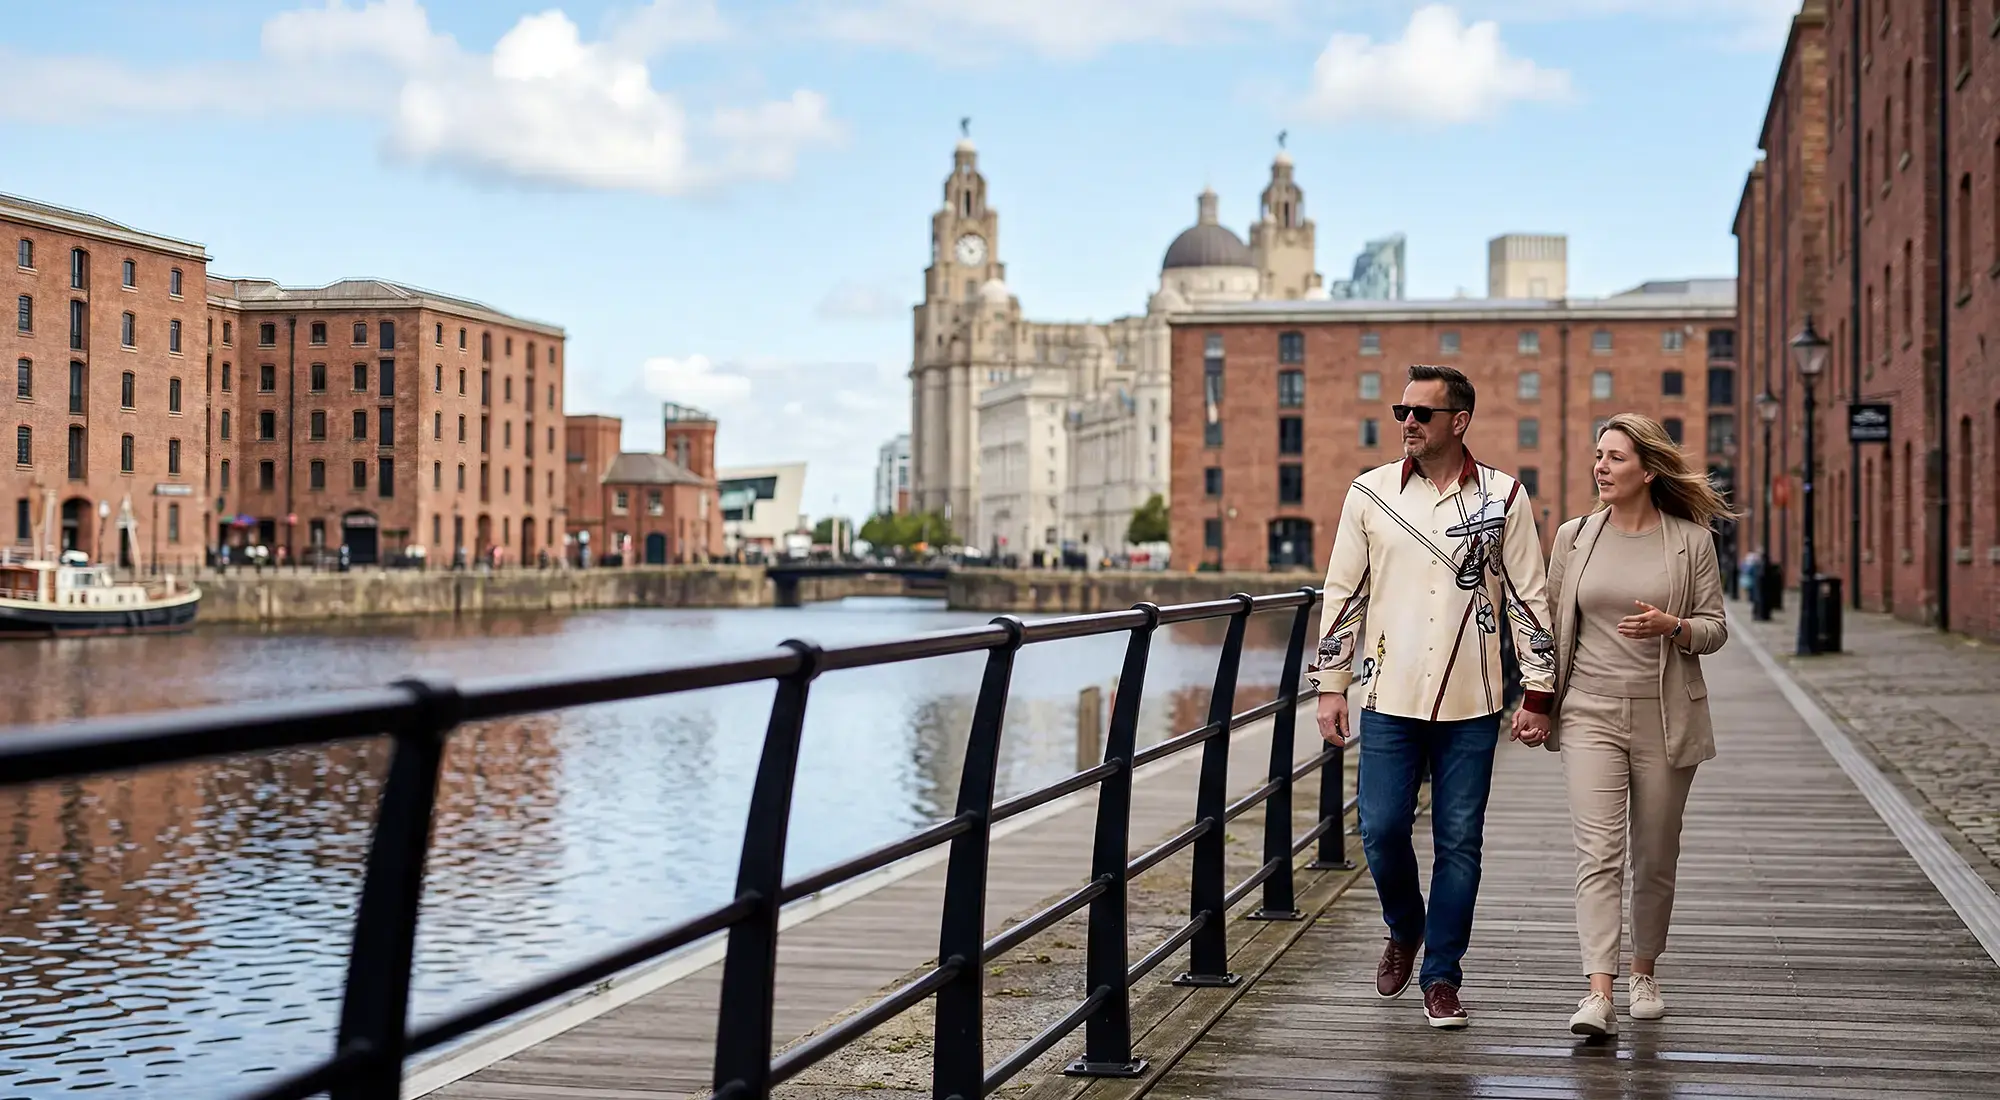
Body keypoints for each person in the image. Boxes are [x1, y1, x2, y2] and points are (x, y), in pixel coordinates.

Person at [1309, 363, 1560, 1030]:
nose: (1409, 423)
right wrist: (1329, 687)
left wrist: (1538, 691)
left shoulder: (1503, 498)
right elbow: (1344, 597)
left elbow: (1531, 599)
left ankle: (1442, 976)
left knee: (1460, 842)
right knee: (1381, 828)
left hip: (1473, 701)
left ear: (1459, 421)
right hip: (1388, 693)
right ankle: (1405, 924)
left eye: (1422, 413)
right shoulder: (1368, 494)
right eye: (1402, 412)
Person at [1541, 413, 1733, 1038]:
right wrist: (1535, 700)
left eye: (1615, 458)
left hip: (1664, 714)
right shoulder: (1574, 538)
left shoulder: (1690, 542)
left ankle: (1644, 971)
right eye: (1598, 455)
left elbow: (1715, 628)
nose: (1601, 467)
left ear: (1647, 471)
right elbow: (1546, 629)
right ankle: (1597, 992)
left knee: (1654, 854)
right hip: (1589, 711)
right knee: (1598, 853)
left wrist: (1672, 627)